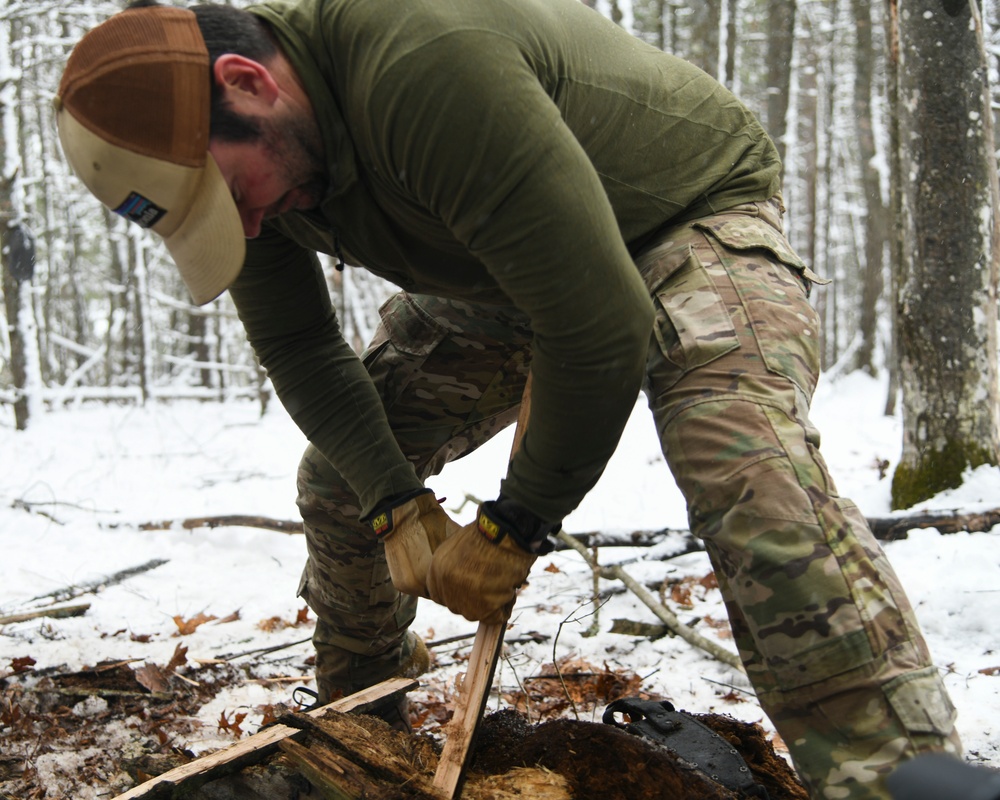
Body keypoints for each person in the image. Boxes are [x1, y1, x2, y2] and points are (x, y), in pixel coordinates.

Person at [55, 1, 961, 796]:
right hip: (507, 268)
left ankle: (896, 774)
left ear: (248, 83)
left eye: (230, 198)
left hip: (681, 220)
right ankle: (365, 725)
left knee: (748, 481)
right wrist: (394, 506)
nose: (249, 228)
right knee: (342, 479)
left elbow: (599, 317)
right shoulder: (264, 176)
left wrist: (516, 525)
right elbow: (298, 345)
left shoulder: (419, 60)